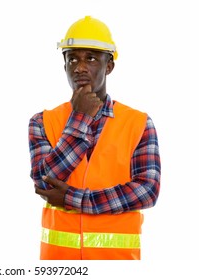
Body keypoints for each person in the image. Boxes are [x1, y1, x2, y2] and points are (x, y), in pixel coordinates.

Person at [28, 16, 161, 260]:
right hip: (59, 263)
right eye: (73, 59)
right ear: (64, 65)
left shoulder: (139, 123)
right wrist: (79, 118)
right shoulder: (41, 121)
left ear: (108, 66)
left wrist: (74, 199)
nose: (79, 67)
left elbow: (147, 191)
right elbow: (44, 183)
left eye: (90, 58)